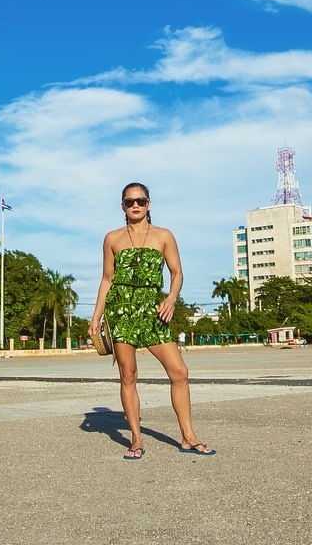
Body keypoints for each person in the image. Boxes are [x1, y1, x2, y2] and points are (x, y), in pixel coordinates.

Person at [89, 182, 215, 460]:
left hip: (153, 309)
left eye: (141, 201)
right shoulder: (112, 238)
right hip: (121, 310)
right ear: (122, 206)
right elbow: (107, 279)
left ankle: (188, 436)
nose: (135, 205)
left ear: (149, 204)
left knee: (179, 372)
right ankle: (136, 438)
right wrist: (96, 316)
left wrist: (171, 299)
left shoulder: (164, 235)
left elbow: (177, 272)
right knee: (128, 375)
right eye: (129, 201)